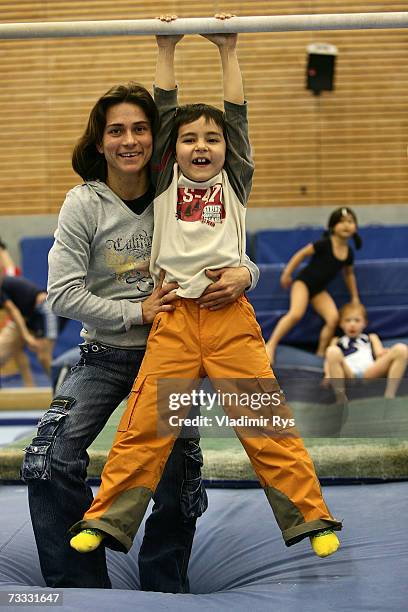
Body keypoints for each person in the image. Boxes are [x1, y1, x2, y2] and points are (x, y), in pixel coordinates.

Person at [70, 15, 341, 562]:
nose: (201, 146)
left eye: (212, 140)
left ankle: (311, 518)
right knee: (145, 424)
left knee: (264, 421)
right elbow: (166, 111)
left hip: (228, 317)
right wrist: (165, 49)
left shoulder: (234, 180)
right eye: (191, 139)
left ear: (225, 150)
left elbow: (237, 117)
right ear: (175, 150)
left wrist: (228, 51)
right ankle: (105, 519)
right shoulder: (166, 177)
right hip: (173, 318)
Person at [20, 61, 259, 591]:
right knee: (48, 457)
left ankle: (163, 583)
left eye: (141, 128)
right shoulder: (83, 204)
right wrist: (137, 311)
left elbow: (231, 244)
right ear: (100, 142)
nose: (130, 140)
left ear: (158, 138)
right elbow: (61, 294)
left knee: (179, 471)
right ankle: (79, 587)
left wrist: (249, 273)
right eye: (116, 130)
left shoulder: (180, 190)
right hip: (104, 354)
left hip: (171, 353)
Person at [265, 207, 362, 364]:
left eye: (350, 222)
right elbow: (301, 254)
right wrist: (287, 274)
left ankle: (321, 352)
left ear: (355, 227)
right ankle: (271, 344)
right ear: (332, 226)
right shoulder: (324, 244)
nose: (346, 225)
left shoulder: (349, 253)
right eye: (341, 222)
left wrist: (355, 297)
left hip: (318, 290)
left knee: (333, 318)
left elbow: (349, 274)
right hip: (303, 283)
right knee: (296, 313)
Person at [325, 302, 408, 401]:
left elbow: (379, 353)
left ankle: (389, 396)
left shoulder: (371, 337)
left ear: (364, 323)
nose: (352, 324)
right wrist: (328, 374)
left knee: (401, 349)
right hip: (348, 373)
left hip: (369, 372)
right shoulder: (337, 340)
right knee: (332, 351)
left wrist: (385, 353)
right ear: (341, 324)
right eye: (347, 320)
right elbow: (329, 360)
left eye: (357, 320)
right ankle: (341, 398)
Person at [0, 273, 61, 384]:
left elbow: (14, 311)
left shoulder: (3, 285)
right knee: (14, 349)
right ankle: (29, 387)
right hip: (27, 318)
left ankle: (60, 388)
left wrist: (26, 336)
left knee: (43, 356)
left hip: (44, 310)